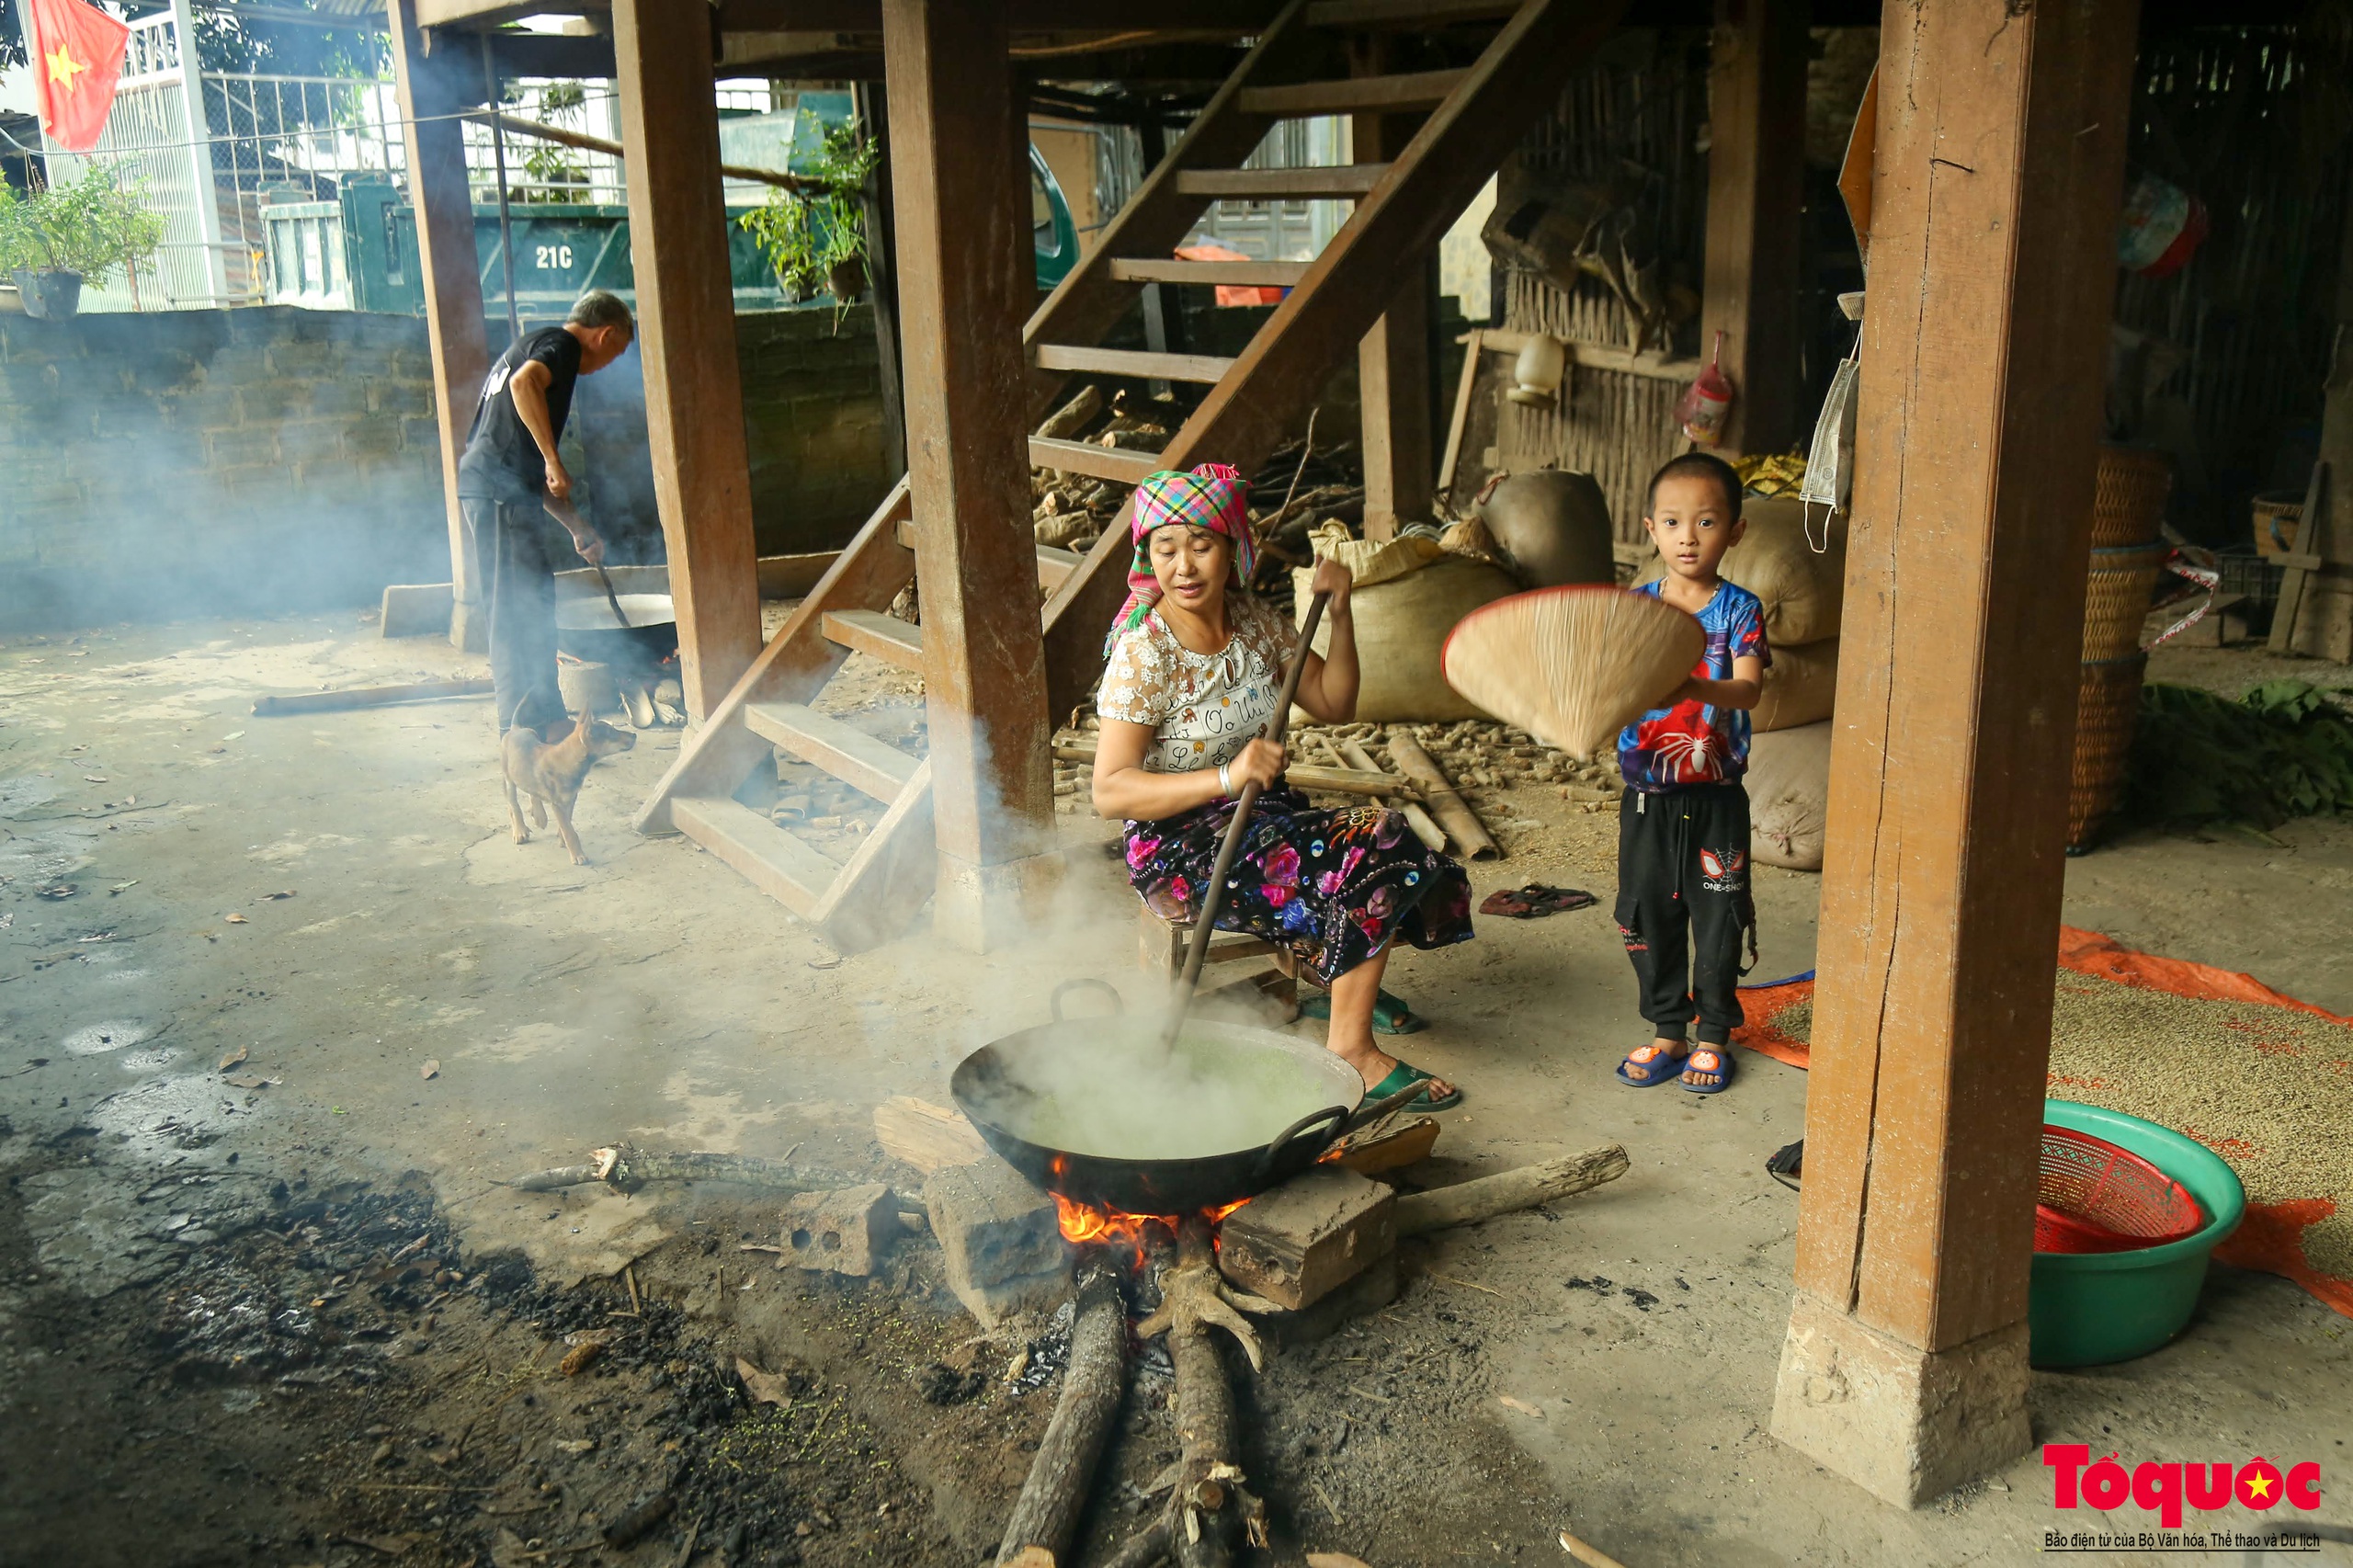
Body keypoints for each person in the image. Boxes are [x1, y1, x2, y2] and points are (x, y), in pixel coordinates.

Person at [1091, 463, 1475, 1107]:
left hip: (1260, 816)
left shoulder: (1254, 621)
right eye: (1166, 548)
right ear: (1147, 556)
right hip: (1180, 848)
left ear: (1232, 549)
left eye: (1201, 544)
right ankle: (1351, 1048)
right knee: (1374, 847)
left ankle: (1346, 971)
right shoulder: (1145, 651)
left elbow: (1334, 700)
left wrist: (1343, 613)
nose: (1184, 566)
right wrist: (1225, 774)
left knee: (1390, 837)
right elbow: (1110, 792)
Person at [1613, 450, 1768, 1094]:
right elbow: (1610, 686)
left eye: (1705, 522)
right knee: (1646, 912)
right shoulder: (1634, 608)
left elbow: (1748, 691)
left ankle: (1712, 1035)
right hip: (1646, 796)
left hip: (1717, 799)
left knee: (1719, 915)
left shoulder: (1739, 611)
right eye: (1673, 522)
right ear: (1650, 528)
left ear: (1734, 531)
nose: (1688, 536)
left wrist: (1691, 682)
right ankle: (1667, 1028)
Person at [456, 290, 636, 738]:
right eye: (617, 352)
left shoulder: (535, 343)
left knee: (533, 598)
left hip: (500, 488)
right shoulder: (562, 346)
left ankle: (544, 715)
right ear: (606, 334)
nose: (610, 363)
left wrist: (577, 526)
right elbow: (523, 385)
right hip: (497, 493)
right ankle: (521, 729)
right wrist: (554, 459)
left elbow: (528, 469)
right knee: (516, 607)